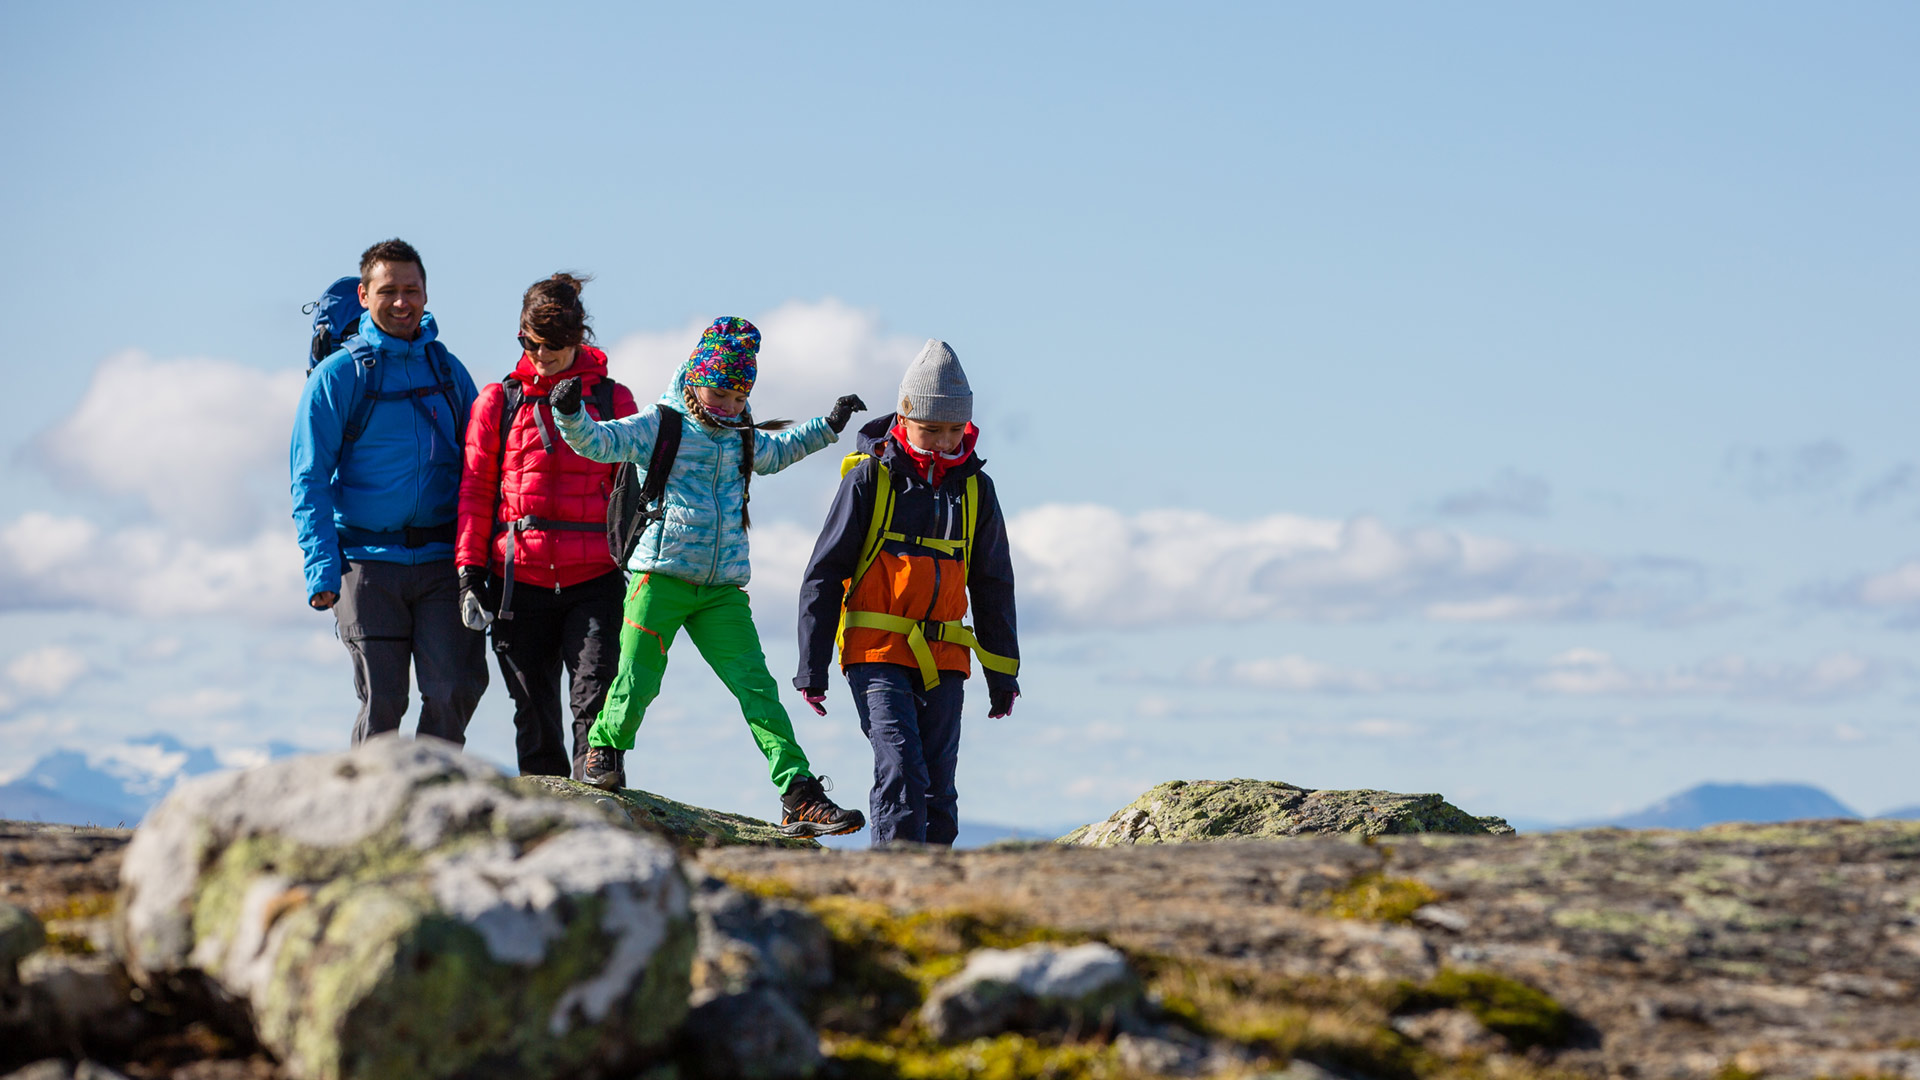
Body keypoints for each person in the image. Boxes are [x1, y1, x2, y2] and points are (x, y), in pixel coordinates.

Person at [549, 316, 869, 837]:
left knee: (758, 689)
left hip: (722, 591)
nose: (729, 406)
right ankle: (603, 750)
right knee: (637, 675)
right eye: (720, 392)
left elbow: (780, 451)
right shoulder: (660, 424)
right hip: (659, 577)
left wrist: (829, 426)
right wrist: (568, 413)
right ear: (697, 379)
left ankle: (799, 793)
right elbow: (599, 443)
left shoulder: (742, 437)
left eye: (740, 397)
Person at [793, 340, 1020, 847]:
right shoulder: (869, 480)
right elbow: (823, 574)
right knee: (900, 771)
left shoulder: (977, 490)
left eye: (953, 429)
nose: (942, 441)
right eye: (930, 428)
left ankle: (938, 898)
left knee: (940, 786)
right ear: (904, 417)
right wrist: (813, 667)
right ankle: (893, 890)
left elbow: (992, 583)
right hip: (875, 650)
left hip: (946, 654)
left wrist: (1003, 672)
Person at [290, 239, 488, 746]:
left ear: (426, 294)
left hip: (444, 561)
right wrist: (322, 569)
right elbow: (308, 479)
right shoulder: (339, 377)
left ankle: (433, 806)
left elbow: (483, 468)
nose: (402, 302)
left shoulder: (448, 372)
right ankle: (366, 815)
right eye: (389, 290)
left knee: (456, 688)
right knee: (384, 701)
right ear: (363, 295)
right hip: (365, 562)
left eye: (412, 290)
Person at [455, 273, 637, 779]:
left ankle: (602, 805)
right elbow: (474, 491)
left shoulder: (614, 402)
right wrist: (469, 573)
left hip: (595, 580)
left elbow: (637, 491)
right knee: (533, 712)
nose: (540, 356)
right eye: (529, 344)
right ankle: (552, 819)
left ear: (578, 340)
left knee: (595, 699)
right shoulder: (498, 402)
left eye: (552, 347)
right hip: (518, 583)